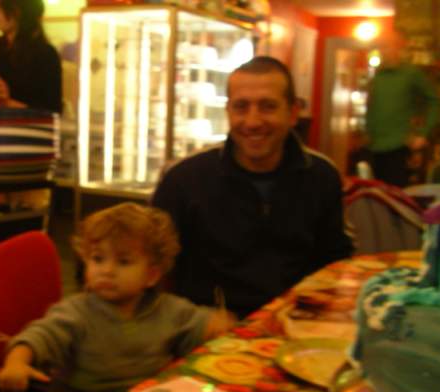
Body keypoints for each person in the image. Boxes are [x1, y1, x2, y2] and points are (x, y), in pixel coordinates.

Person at [151, 56, 354, 319]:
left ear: (293, 113)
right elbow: (152, 267)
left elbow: (336, 261)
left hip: (296, 323)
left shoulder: (322, 175)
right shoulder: (183, 179)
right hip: (207, 328)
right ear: (228, 111)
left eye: (267, 107)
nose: (253, 121)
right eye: (241, 107)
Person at [0, 203, 234, 392]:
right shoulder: (75, 313)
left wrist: (214, 325)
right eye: (98, 259)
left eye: (123, 262)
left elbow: (197, 322)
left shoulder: (168, 309)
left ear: (151, 275)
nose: (107, 270)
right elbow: (40, 335)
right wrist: (17, 362)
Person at [365, 30, 439, 187]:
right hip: (375, 147)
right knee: (378, 194)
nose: (385, 51)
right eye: (382, 47)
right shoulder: (378, 75)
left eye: (388, 46)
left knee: (398, 195)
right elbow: (372, 108)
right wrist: (367, 134)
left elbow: (434, 101)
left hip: (400, 147)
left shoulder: (411, 74)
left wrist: (423, 134)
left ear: (398, 48)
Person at [0, 0, 62, 112]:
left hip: (25, 122)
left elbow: (51, 110)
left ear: (19, 12)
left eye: (0, 6)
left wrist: (7, 102)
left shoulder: (45, 54)